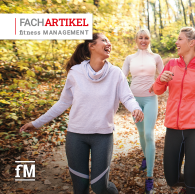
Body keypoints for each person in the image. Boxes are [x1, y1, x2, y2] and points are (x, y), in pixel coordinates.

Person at [19, 33, 144, 194]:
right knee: (80, 187)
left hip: (103, 136)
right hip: (76, 136)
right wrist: (36, 123)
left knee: (100, 187)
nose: (109, 43)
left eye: (109, 41)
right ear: (91, 46)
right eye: (104, 40)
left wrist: (136, 108)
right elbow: (63, 102)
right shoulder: (75, 72)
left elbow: (127, 97)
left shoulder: (115, 73)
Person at [152, 26, 195, 194]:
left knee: (191, 182)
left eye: (180, 39)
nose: (176, 42)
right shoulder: (171, 64)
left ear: (191, 43)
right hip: (173, 128)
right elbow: (157, 90)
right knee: (172, 179)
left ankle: (192, 188)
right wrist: (161, 79)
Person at [122, 29, 163, 194]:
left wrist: (158, 85)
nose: (143, 40)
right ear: (136, 40)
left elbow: (164, 77)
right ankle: (146, 156)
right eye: (141, 38)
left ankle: (150, 177)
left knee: (149, 134)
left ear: (149, 40)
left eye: (146, 38)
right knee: (141, 133)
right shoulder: (129, 58)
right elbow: (121, 78)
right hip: (135, 102)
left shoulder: (156, 58)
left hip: (150, 99)